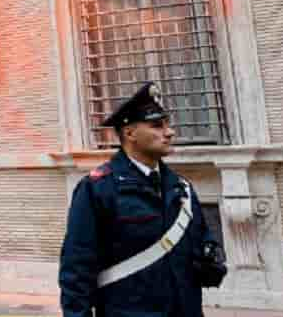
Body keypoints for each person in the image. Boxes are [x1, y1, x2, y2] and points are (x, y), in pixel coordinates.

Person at [58, 82, 226, 317]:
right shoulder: (97, 190)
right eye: (157, 125)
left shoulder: (182, 188)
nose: (169, 132)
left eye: (168, 124)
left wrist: (209, 258)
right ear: (129, 133)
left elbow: (201, 244)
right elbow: (76, 272)